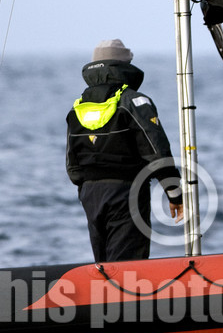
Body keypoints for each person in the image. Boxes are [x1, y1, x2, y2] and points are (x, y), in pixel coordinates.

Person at [64, 39, 183, 262]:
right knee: (128, 264)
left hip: (91, 194)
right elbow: (157, 151)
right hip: (127, 191)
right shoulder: (135, 101)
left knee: (103, 262)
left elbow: (72, 165)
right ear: (124, 67)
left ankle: (104, 297)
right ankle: (126, 297)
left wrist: (88, 189)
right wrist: (174, 192)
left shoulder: (78, 107)